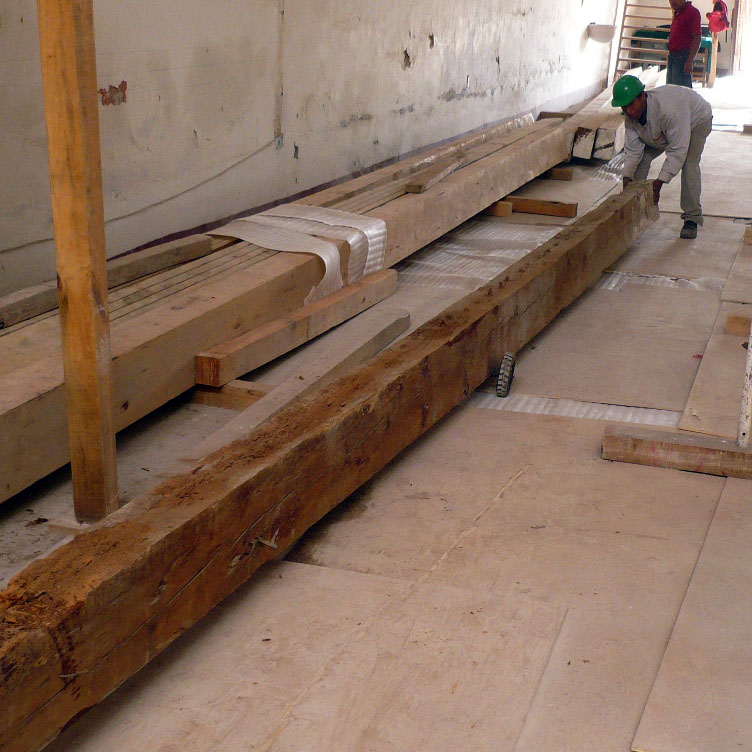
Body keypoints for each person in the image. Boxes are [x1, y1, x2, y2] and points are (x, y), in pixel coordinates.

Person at [612, 75, 712, 239]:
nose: (629, 111)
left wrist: (659, 183)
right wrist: (627, 178)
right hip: (662, 129)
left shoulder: (670, 110)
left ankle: (692, 217)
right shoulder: (631, 116)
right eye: (624, 107)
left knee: (688, 163)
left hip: (696, 121)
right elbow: (632, 152)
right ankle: (634, 209)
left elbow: (677, 150)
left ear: (642, 96)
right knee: (641, 160)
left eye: (631, 105)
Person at [667, 0, 702, 87]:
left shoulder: (692, 12)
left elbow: (697, 38)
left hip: (682, 57)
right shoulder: (677, 12)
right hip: (673, 56)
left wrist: (690, 61)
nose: (672, 3)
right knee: (671, 89)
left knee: (680, 90)